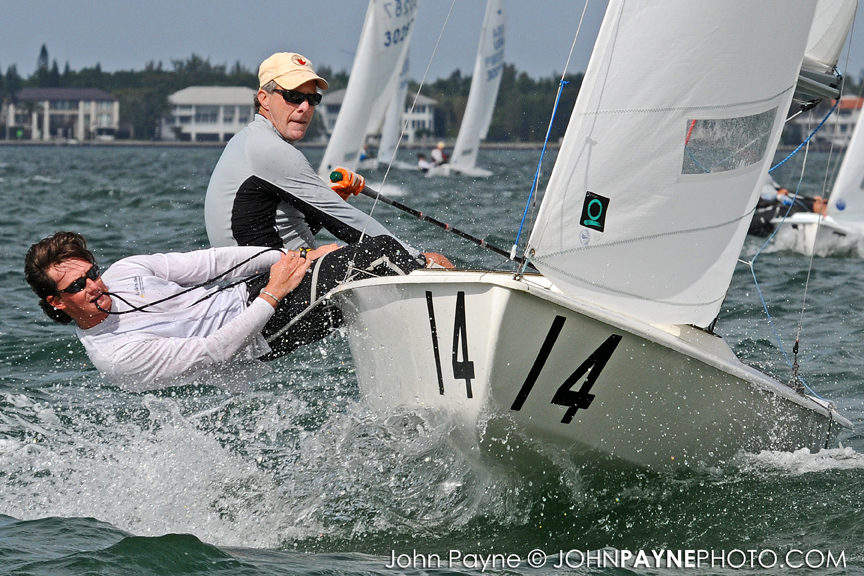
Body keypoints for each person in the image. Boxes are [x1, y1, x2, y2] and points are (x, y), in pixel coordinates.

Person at [25, 231, 421, 389]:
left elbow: (215, 262)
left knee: (366, 263)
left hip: (255, 293)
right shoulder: (116, 355)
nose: (94, 286)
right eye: (76, 286)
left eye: (92, 273)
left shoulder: (126, 271)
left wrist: (296, 257)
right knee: (375, 255)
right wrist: (274, 293)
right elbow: (215, 352)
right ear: (56, 302)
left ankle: (435, 280)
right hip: (258, 335)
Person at [204, 52, 451, 269]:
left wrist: (334, 197)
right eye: (293, 96)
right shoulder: (268, 148)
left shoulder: (249, 139)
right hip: (264, 286)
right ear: (264, 98)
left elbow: (284, 227)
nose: (304, 107)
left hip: (266, 278)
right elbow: (345, 221)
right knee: (383, 249)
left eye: (312, 99)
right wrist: (418, 260)